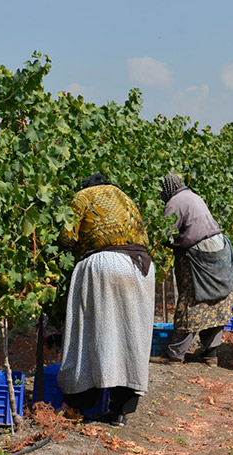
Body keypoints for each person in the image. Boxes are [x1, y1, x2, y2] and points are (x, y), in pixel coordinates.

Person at [57, 174, 156, 427]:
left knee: (88, 332)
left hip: (105, 264)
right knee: (131, 336)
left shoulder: (82, 197)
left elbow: (66, 237)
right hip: (141, 266)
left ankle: (78, 403)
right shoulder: (125, 198)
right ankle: (119, 411)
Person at [152, 173, 233, 366]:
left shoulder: (174, 202)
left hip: (200, 255)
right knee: (217, 301)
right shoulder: (193, 196)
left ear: (166, 189)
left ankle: (175, 355)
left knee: (191, 302)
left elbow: (165, 232)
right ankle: (211, 354)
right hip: (220, 249)